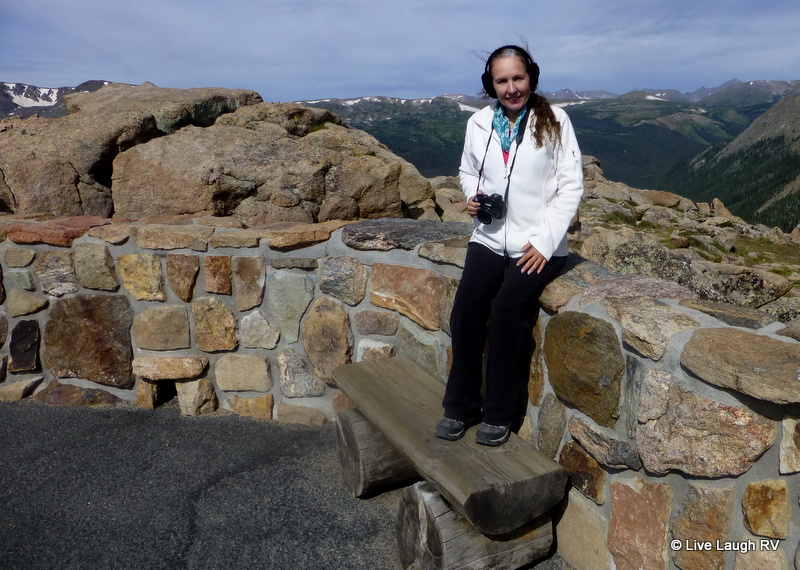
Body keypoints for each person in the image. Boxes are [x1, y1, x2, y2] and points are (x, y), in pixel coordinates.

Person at [435, 45, 584, 446]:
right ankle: (460, 406)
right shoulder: (480, 122)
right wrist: (473, 196)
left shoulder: (555, 121)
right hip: (488, 237)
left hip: (537, 244)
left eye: (518, 78)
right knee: (465, 312)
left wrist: (546, 242)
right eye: (502, 81)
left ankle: (500, 413)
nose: (511, 88)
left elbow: (571, 186)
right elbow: (468, 170)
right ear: (491, 85)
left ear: (531, 76)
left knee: (506, 313)